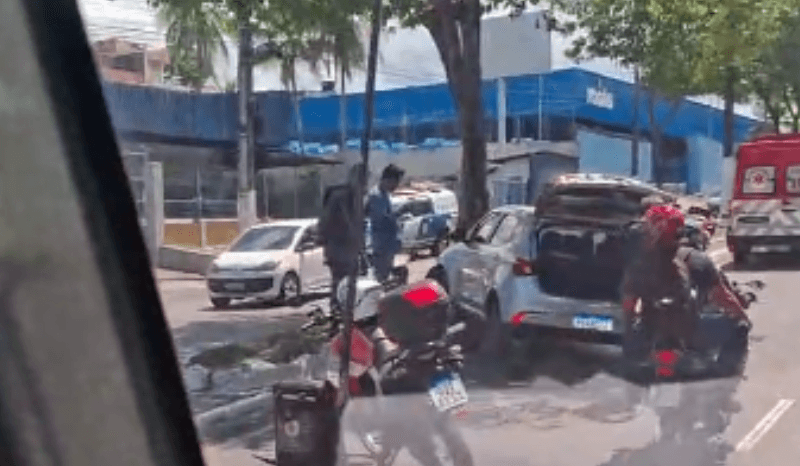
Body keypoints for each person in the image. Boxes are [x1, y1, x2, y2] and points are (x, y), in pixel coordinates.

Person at [621, 204, 750, 352]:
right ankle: (731, 370)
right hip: (691, 336)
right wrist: (743, 318)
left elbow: (629, 307)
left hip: (651, 334)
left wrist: (631, 332)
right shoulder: (697, 260)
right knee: (738, 327)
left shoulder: (639, 266)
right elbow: (723, 297)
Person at [319, 164, 366, 311]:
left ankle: (346, 309)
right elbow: (328, 224)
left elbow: (358, 224)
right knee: (340, 281)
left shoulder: (355, 197)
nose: (363, 185)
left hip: (349, 249)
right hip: (338, 248)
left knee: (350, 281)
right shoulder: (340, 197)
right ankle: (337, 309)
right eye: (361, 180)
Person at [366, 164, 405, 283]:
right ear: (387, 180)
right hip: (382, 246)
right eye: (395, 183)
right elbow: (382, 219)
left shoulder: (385, 195)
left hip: (388, 245)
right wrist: (396, 216)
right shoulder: (375, 196)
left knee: (387, 276)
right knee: (380, 278)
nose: (396, 186)